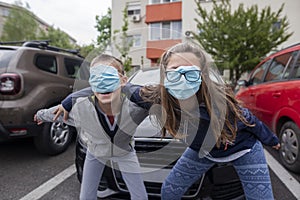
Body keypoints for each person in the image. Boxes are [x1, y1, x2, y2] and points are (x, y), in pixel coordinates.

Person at [121, 42, 281, 200]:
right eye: (175, 70)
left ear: (202, 75)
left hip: (243, 149)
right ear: (165, 74)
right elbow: (136, 92)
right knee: (169, 191)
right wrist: (123, 86)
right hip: (204, 151)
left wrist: (271, 140)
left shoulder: (219, 101)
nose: (182, 77)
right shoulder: (159, 98)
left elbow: (248, 119)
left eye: (190, 71)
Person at [34, 54, 148, 200]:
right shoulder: (81, 107)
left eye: (109, 76)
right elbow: (57, 112)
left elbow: (164, 102)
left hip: (125, 152)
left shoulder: (136, 107)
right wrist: (40, 115)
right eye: (97, 77)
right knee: (86, 196)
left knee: (140, 196)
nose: (103, 82)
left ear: (123, 81)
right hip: (95, 153)